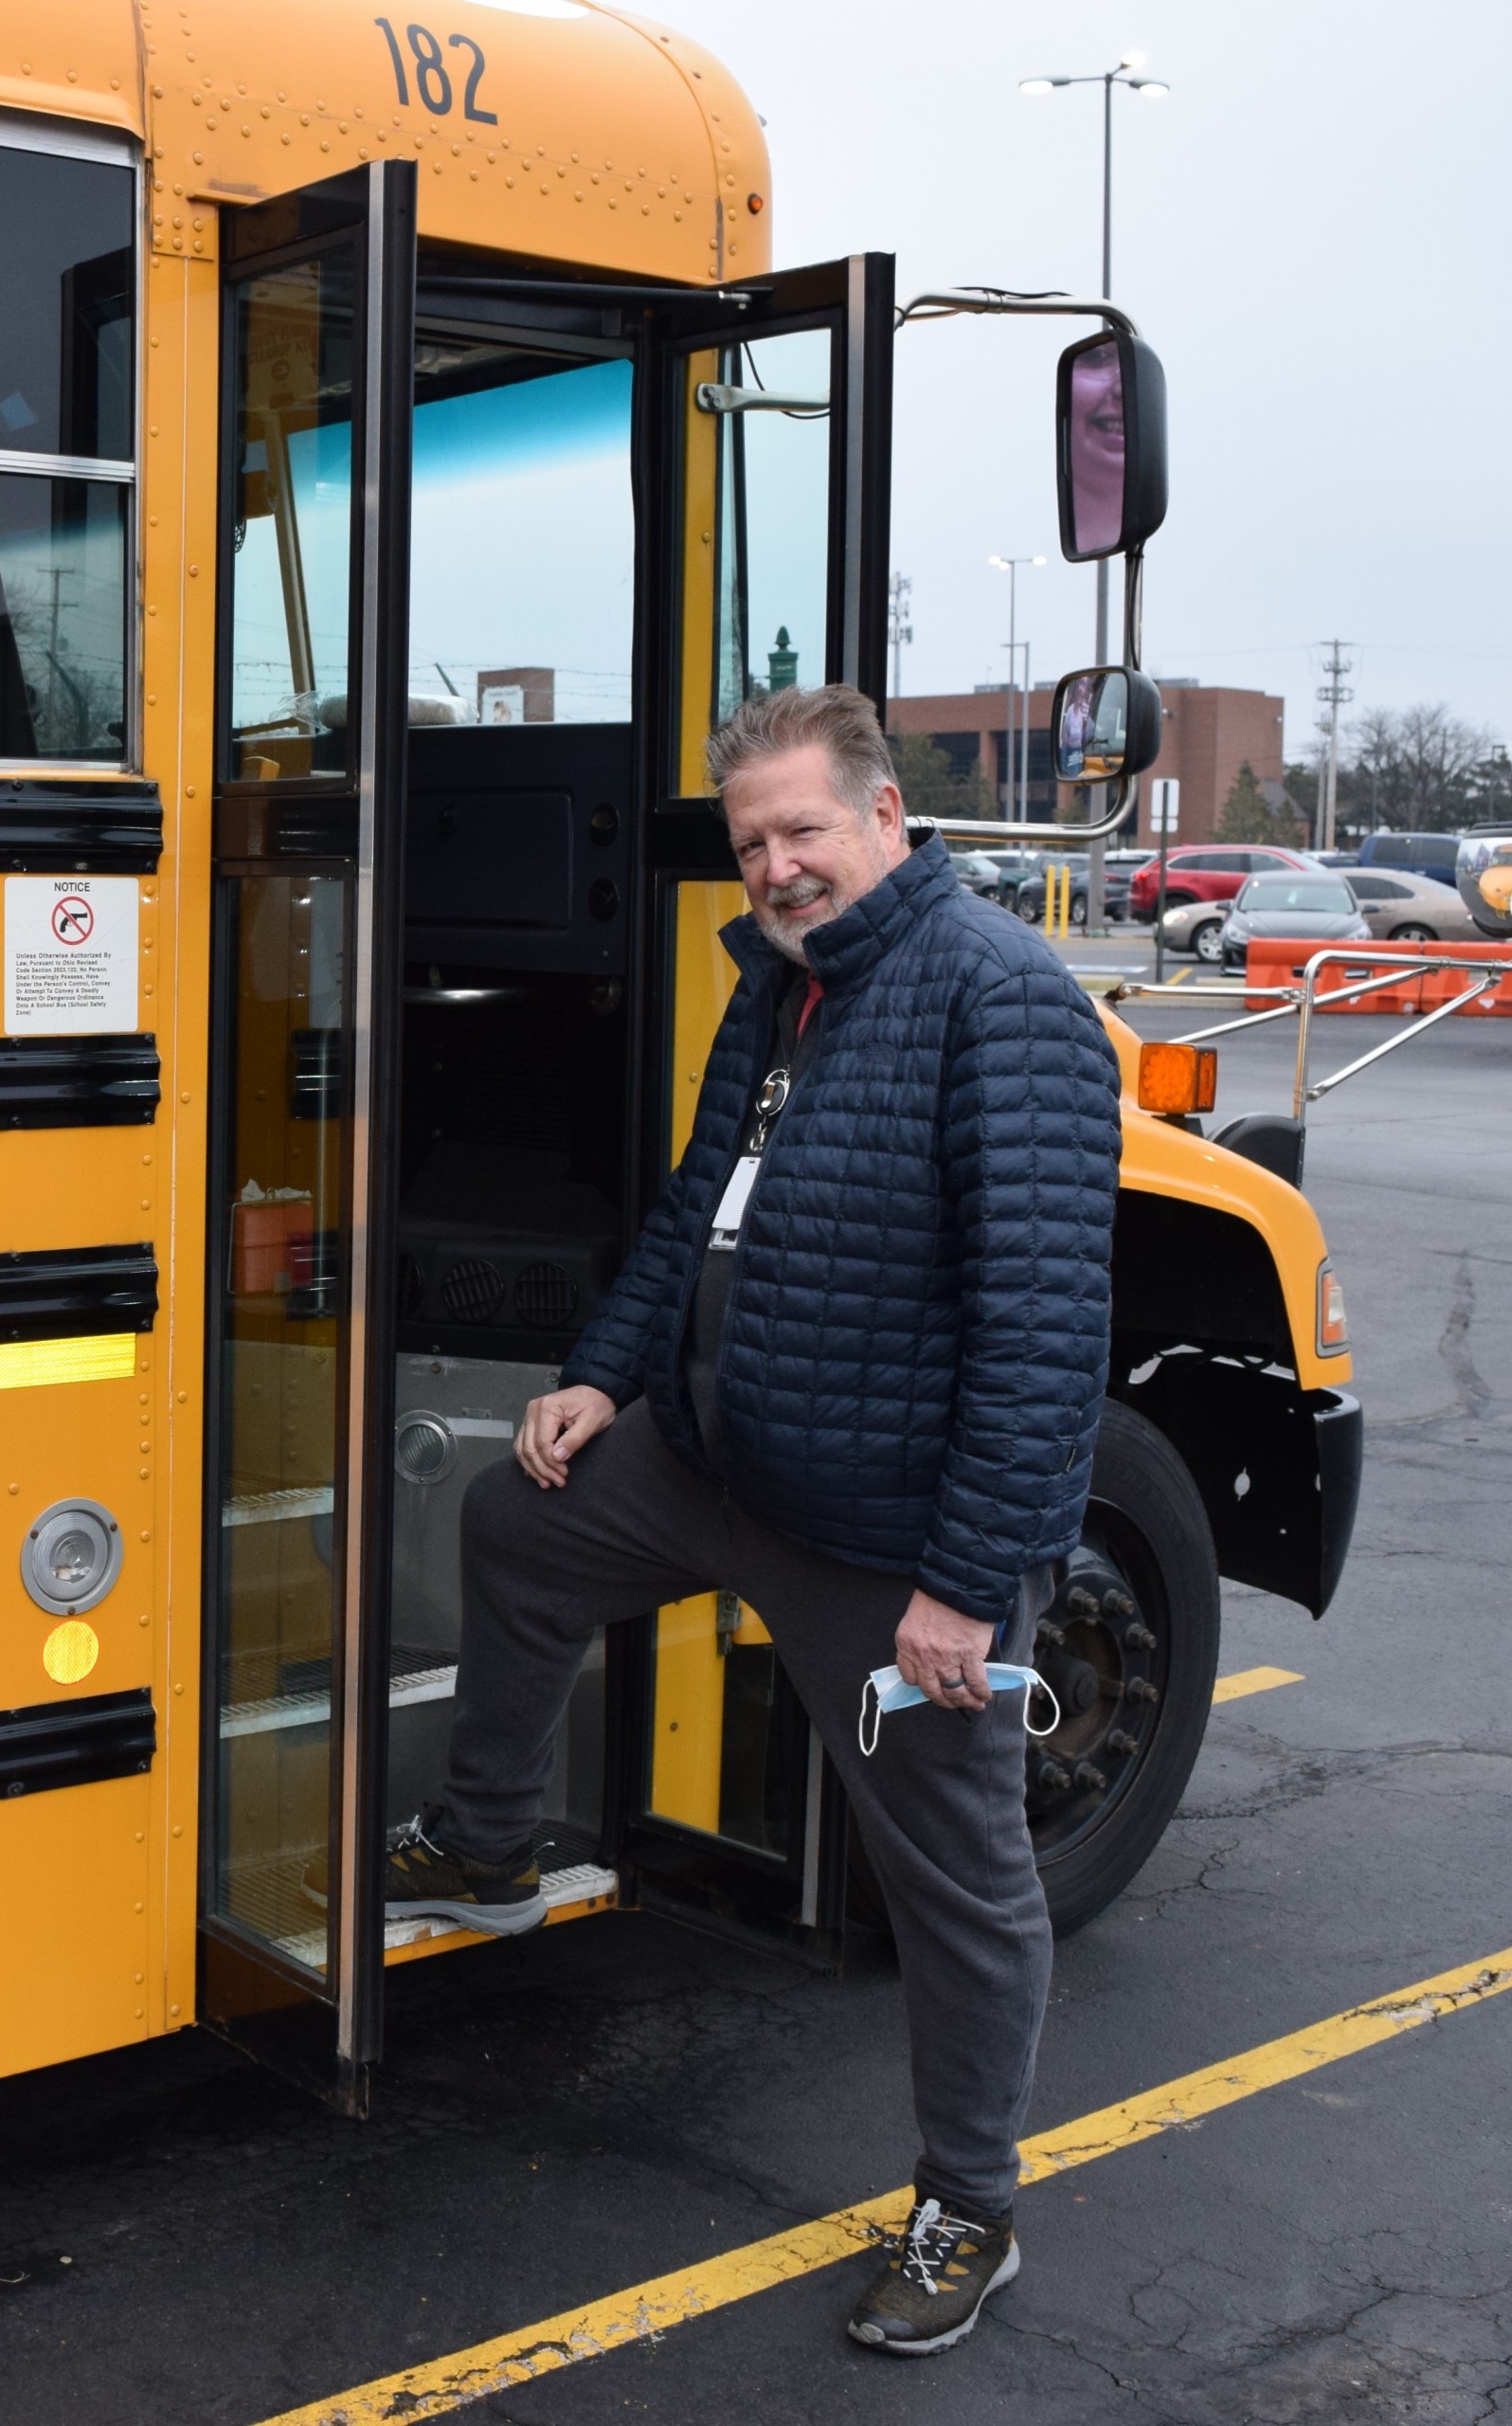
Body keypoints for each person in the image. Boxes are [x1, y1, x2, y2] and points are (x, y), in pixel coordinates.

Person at [386, 684, 1122, 2357]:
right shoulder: (783, 991)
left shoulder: (1001, 1005)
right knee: (517, 1519)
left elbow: (1041, 1334)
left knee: (956, 1874)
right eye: (752, 841)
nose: (779, 866)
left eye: (803, 831)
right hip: (720, 1462)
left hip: (885, 1536)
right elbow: (692, 1214)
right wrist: (602, 1378)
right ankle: (493, 1845)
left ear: (887, 822)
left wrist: (964, 1585)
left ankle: (970, 2203)